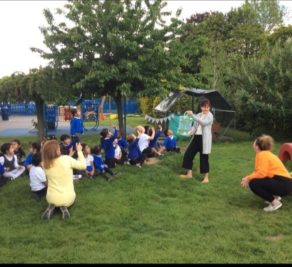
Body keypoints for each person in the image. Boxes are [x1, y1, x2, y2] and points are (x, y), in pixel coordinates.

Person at [241, 135, 292, 212]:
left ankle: (275, 203)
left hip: (284, 184)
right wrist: (249, 177)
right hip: (285, 184)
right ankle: (276, 197)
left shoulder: (263, 155)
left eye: (254, 142)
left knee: (254, 183)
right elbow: (259, 172)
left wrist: (248, 178)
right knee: (255, 180)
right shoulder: (265, 154)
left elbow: (261, 174)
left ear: (257, 146)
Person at [41, 140, 86, 220]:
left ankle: (52, 206)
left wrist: (69, 156)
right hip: (68, 197)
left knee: (54, 200)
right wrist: (79, 151)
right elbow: (83, 165)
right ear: (57, 150)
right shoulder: (66, 159)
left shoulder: (44, 164)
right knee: (68, 199)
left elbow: (58, 164)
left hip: (51, 197)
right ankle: (63, 207)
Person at [180, 98, 214, 183]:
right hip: (196, 138)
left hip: (204, 139)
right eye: (204, 107)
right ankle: (189, 174)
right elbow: (195, 126)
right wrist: (189, 132)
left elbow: (203, 123)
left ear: (209, 107)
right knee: (188, 154)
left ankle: (206, 178)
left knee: (204, 158)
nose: (206, 109)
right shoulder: (198, 114)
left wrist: (192, 115)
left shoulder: (210, 116)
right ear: (201, 107)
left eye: (207, 107)